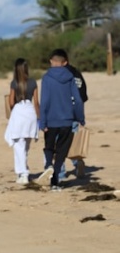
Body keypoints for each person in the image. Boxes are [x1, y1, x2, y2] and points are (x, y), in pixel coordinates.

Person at [36, 51, 85, 191]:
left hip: (51, 121)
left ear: (51, 61)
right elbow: (78, 101)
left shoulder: (46, 78)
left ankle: (48, 167)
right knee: (62, 152)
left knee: (49, 148)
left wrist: (43, 121)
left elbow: (44, 101)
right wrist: (80, 118)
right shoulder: (70, 77)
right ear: (64, 62)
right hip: (67, 121)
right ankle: (55, 183)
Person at [53, 48, 89, 179]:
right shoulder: (77, 73)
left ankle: (61, 173)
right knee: (73, 142)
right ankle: (77, 161)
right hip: (75, 112)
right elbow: (83, 96)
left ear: (63, 62)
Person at [4, 58, 40, 184]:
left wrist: (14, 111)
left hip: (19, 112)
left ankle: (23, 173)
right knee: (26, 146)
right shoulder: (33, 82)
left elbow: (11, 101)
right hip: (30, 112)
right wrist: (39, 118)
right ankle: (23, 171)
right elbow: (36, 102)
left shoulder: (14, 83)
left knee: (19, 145)